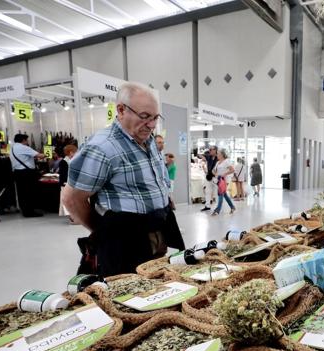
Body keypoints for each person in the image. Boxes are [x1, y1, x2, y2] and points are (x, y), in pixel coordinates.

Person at [63, 81, 184, 277]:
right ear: (121, 110)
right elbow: (71, 198)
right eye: (145, 117)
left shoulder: (148, 138)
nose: (152, 125)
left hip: (157, 232)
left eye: (155, 117)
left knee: (158, 287)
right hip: (124, 243)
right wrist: (103, 230)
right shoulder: (102, 147)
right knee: (129, 297)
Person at [10, 133, 45, 217]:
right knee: (29, 192)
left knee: (22, 193)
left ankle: (25, 211)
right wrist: (46, 154)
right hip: (26, 173)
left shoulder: (12, 148)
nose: (27, 142)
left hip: (17, 173)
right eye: (27, 140)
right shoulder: (24, 147)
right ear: (23, 140)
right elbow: (40, 155)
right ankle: (30, 212)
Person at [211, 148, 236, 216]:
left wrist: (225, 174)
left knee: (220, 194)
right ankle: (232, 207)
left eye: (218, 153)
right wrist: (215, 173)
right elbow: (213, 170)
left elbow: (232, 170)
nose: (217, 155)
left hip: (224, 180)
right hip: (218, 180)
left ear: (222, 154)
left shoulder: (227, 161)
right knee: (224, 194)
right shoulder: (218, 162)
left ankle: (217, 210)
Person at [59, 144, 78, 220]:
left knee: (73, 200)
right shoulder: (64, 162)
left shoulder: (71, 161)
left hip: (71, 184)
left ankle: (74, 216)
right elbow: (63, 175)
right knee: (69, 201)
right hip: (66, 184)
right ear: (71, 152)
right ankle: (72, 217)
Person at [201, 146, 218, 211]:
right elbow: (200, 155)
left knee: (216, 192)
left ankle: (217, 207)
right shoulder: (209, 157)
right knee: (207, 191)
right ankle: (207, 205)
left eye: (211, 150)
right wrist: (203, 157)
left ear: (215, 150)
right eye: (209, 150)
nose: (210, 151)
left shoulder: (218, 158)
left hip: (215, 177)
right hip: (209, 177)